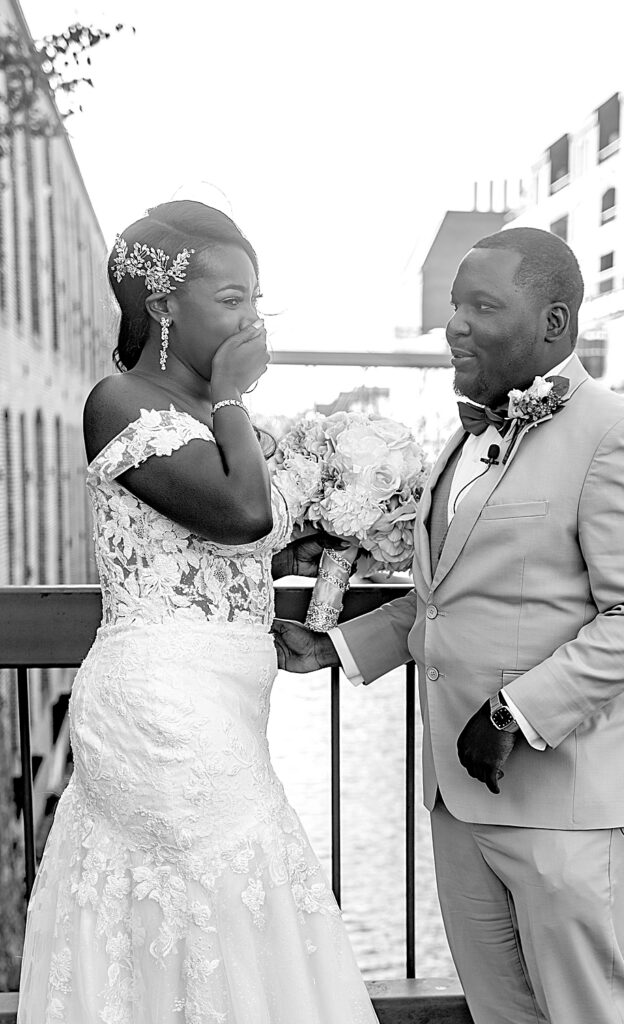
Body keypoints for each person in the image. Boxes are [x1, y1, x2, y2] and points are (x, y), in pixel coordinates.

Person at [274, 227, 624, 1024]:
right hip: (460, 799)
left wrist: (512, 714)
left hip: (566, 800)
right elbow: (444, 597)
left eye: (482, 307)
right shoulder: (464, 437)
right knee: (501, 1015)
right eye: (453, 306)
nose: (455, 326)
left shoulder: (620, 434)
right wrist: (334, 649)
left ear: (554, 321)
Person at [17, 200, 378, 1023]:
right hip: (163, 710)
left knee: (216, 917)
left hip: (224, 696)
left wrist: (302, 554)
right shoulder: (121, 400)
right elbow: (241, 513)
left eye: (257, 300)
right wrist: (232, 397)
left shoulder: (201, 416)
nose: (251, 320)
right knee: (223, 902)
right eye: (231, 299)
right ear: (162, 305)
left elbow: (214, 549)